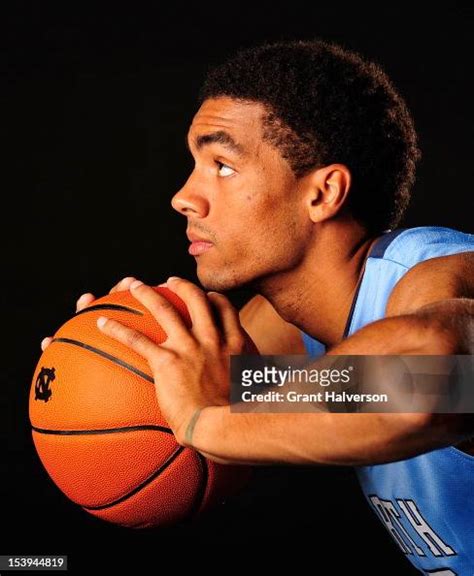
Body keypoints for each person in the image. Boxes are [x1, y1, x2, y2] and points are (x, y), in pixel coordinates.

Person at [42, 40, 473, 573]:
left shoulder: (434, 270)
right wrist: (100, 361)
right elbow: (208, 394)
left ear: (323, 194)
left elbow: (433, 382)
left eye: (222, 166)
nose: (184, 196)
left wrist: (206, 423)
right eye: (194, 164)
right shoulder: (286, 330)